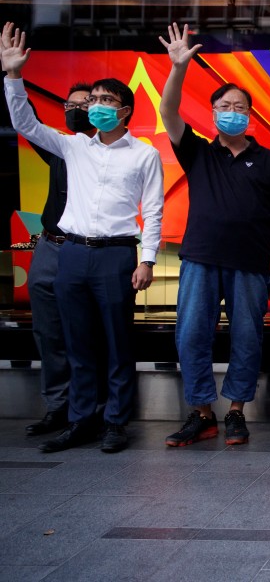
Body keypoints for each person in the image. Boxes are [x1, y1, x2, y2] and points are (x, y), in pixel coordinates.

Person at [2, 22, 163, 454]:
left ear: (126, 110)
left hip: (116, 256)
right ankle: (80, 420)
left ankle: (114, 421)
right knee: (76, 341)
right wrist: (13, 75)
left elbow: (153, 210)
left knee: (116, 342)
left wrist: (147, 259)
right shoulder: (74, 146)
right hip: (71, 252)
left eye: (106, 101)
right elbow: (24, 121)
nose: (96, 107)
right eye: (93, 101)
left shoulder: (145, 154)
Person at [158, 23, 270, 447]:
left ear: (249, 115)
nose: (232, 110)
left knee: (247, 337)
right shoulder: (198, 150)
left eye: (240, 105)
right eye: (224, 105)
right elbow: (167, 112)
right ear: (213, 112)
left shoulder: (269, 160)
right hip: (200, 258)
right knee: (191, 334)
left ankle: (236, 411)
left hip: (252, 264)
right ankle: (202, 412)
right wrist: (179, 67)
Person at [22, 82, 95, 437]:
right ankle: (57, 407)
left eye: (84, 104)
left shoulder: (108, 151)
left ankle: (91, 409)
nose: (75, 110)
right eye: (70, 104)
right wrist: (13, 76)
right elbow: (27, 120)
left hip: (87, 250)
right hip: (50, 247)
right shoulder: (59, 146)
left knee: (87, 333)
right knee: (48, 332)